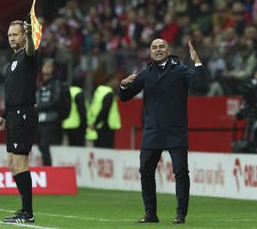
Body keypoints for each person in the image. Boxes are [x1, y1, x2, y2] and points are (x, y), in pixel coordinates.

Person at [118, 38, 208, 224]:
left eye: (161, 46)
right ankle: (151, 214)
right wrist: (123, 84)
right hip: (152, 132)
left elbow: (201, 86)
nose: (158, 50)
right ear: (150, 52)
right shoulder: (145, 73)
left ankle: (180, 214)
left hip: (176, 131)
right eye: (154, 47)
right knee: (145, 172)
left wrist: (197, 62)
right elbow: (125, 97)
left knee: (181, 172)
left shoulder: (181, 70)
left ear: (168, 49)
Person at [0, 20, 38, 223]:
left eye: (16, 35)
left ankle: (27, 212)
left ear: (23, 36)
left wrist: (29, 36)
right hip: (12, 115)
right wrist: (3, 116)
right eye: (9, 35)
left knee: (20, 162)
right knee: (12, 163)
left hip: (24, 114)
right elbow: (12, 93)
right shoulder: (12, 60)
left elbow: (31, 48)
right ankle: (24, 210)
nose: (12, 38)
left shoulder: (28, 55)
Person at [36, 58, 66, 165]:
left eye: (49, 66)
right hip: (39, 120)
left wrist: (39, 107)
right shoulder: (39, 84)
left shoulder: (56, 84)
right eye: (45, 65)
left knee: (45, 145)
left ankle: (48, 169)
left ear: (53, 69)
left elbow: (56, 101)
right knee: (40, 145)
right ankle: (47, 166)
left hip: (51, 120)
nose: (47, 67)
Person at [86, 74, 121, 148]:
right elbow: (104, 110)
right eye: (115, 80)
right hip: (106, 127)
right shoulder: (109, 93)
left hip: (97, 126)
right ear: (110, 81)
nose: (117, 82)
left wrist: (94, 123)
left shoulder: (99, 91)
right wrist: (95, 123)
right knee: (106, 152)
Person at [62, 75, 87, 146]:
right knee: (78, 147)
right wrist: (84, 125)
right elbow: (82, 111)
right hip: (77, 125)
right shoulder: (79, 92)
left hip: (67, 124)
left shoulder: (68, 91)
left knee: (71, 146)